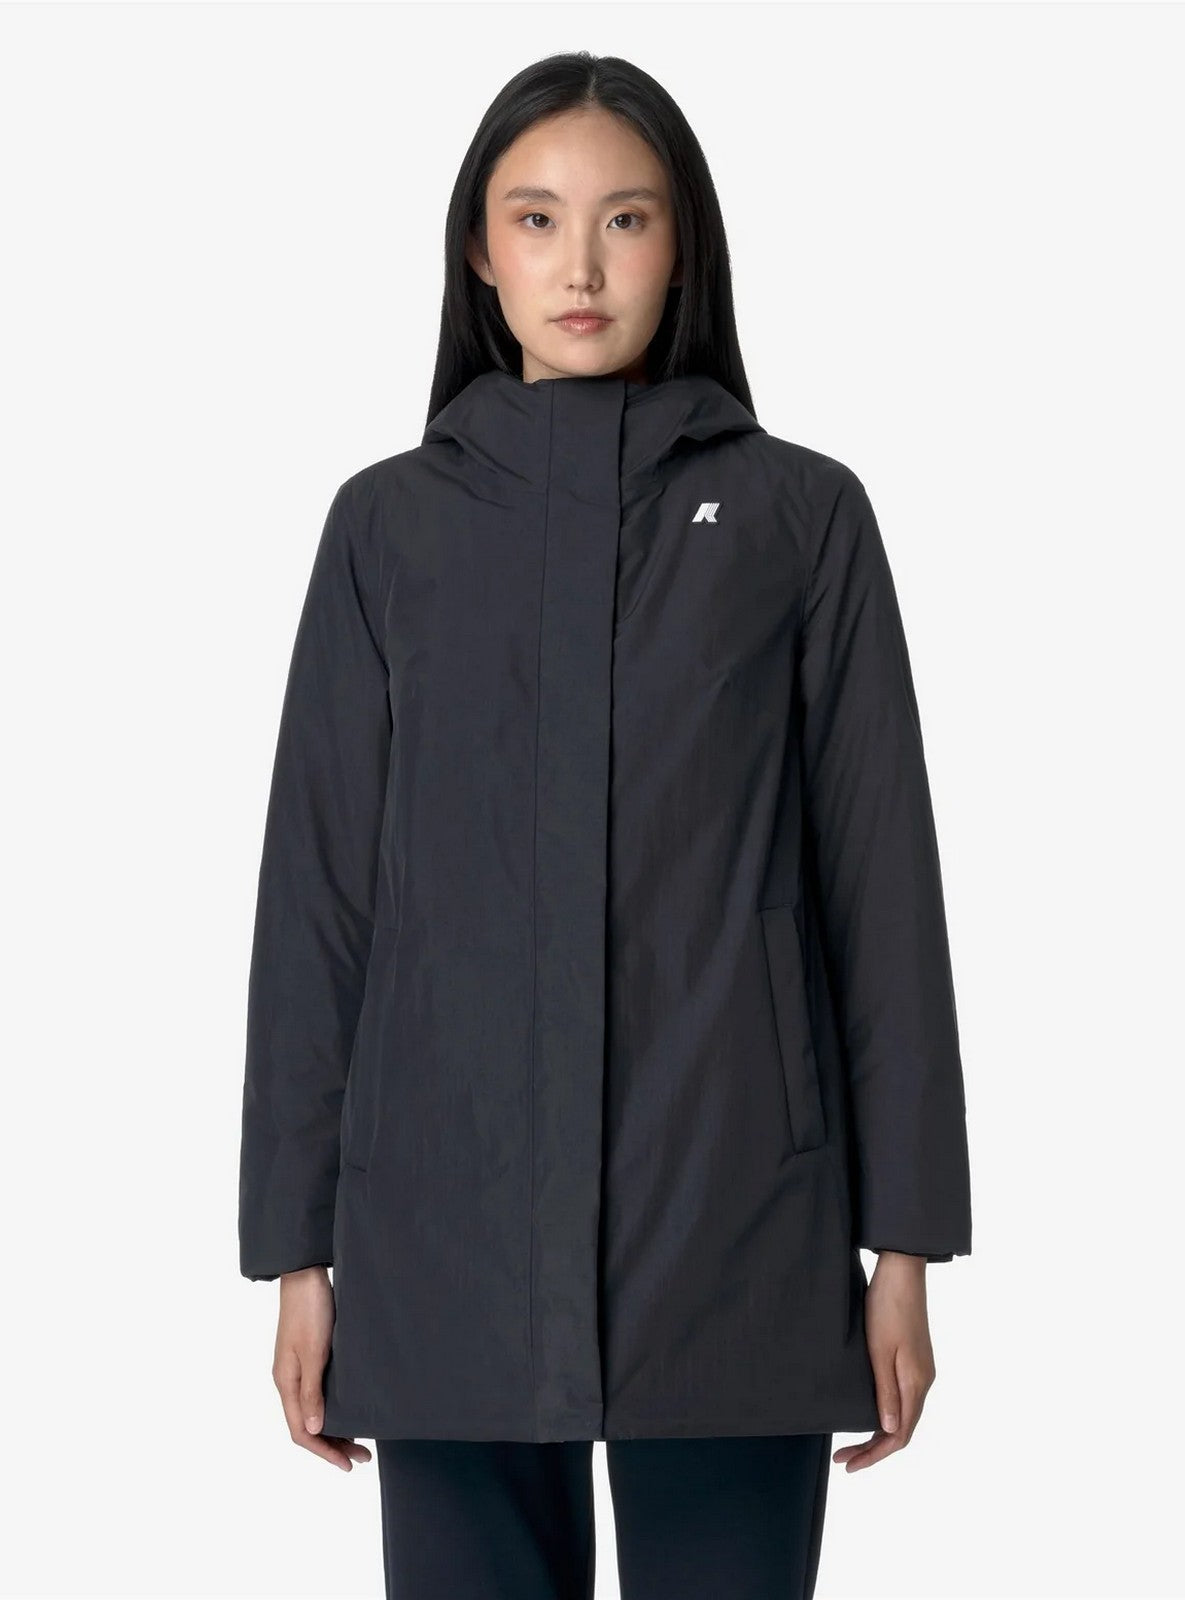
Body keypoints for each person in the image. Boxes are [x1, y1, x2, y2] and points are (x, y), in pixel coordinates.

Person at [238, 51, 972, 1600]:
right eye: (538, 218)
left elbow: (879, 890)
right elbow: (320, 901)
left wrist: (905, 1248)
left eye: (626, 219)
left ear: (684, 246)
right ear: (479, 250)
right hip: (441, 1231)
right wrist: (296, 1253)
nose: (580, 265)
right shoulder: (387, 528)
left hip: (738, 1229)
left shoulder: (799, 519)